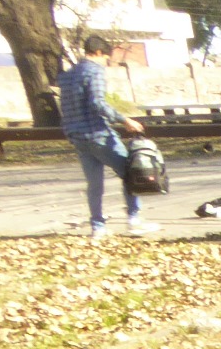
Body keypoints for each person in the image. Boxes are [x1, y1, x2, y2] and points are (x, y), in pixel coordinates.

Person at [57, 35, 159, 239]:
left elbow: (65, 108)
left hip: (77, 136)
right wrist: (125, 120)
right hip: (98, 134)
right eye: (106, 59)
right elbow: (98, 103)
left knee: (94, 184)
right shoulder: (94, 71)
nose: (106, 64)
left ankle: (98, 227)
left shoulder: (68, 76)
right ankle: (134, 220)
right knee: (131, 173)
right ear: (97, 53)